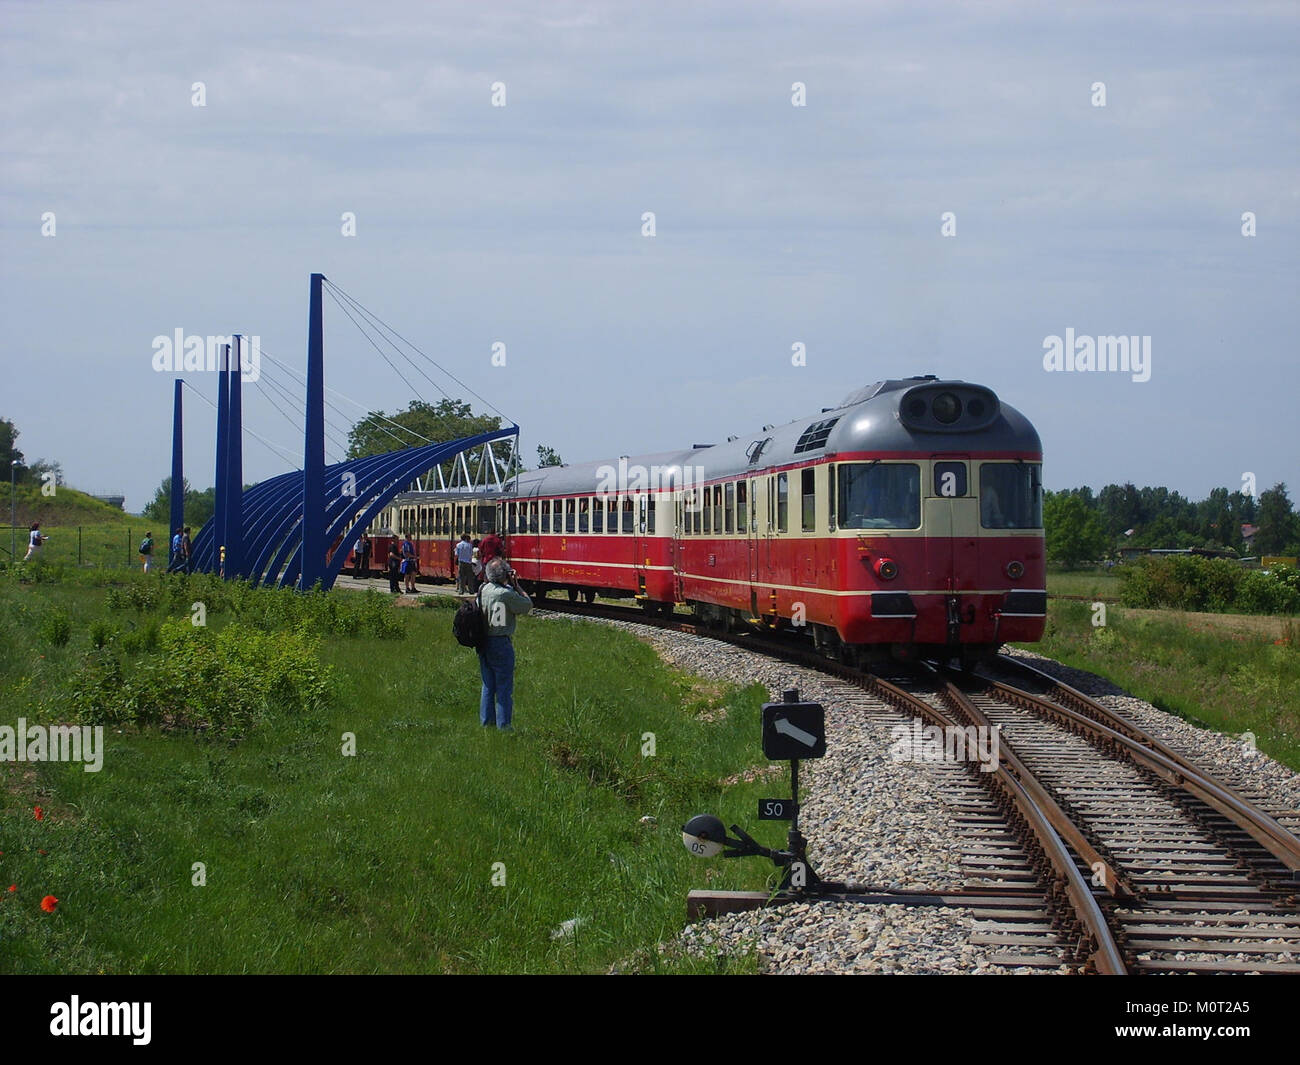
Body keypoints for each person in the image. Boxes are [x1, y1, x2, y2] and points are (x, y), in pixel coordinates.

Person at [477, 559, 532, 731]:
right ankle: (504, 725)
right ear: (505, 575)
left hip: (484, 641)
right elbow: (527, 605)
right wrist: (517, 586)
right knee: (503, 686)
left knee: (488, 685)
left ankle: (487, 723)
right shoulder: (506, 594)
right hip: (500, 642)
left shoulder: (483, 589)